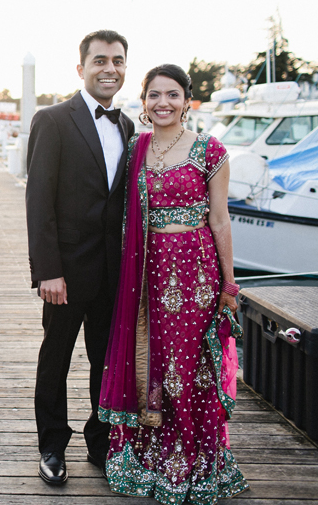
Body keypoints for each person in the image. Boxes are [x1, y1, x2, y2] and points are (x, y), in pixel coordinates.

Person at [98, 64, 249, 504]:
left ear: (187, 100)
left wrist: (230, 283)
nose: (162, 103)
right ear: (143, 102)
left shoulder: (209, 150)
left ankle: (197, 457)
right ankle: (151, 452)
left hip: (197, 272)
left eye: (173, 95)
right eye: (154, 95)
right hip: (148, 272)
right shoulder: (135, 148)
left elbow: (220, 220)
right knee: (156, 360)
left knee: (191, 365)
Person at [26, 30, 135, 485]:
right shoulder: (52, 120)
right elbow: (38, 202)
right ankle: (52, 446)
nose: (110, 68)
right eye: (101, 61)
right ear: (81, 68)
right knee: (56, 359)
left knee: (106, 363)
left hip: (114, 274)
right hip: (66, 274)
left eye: (118, 61)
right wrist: (48, 271)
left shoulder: (129, 126)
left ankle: (101, 443)